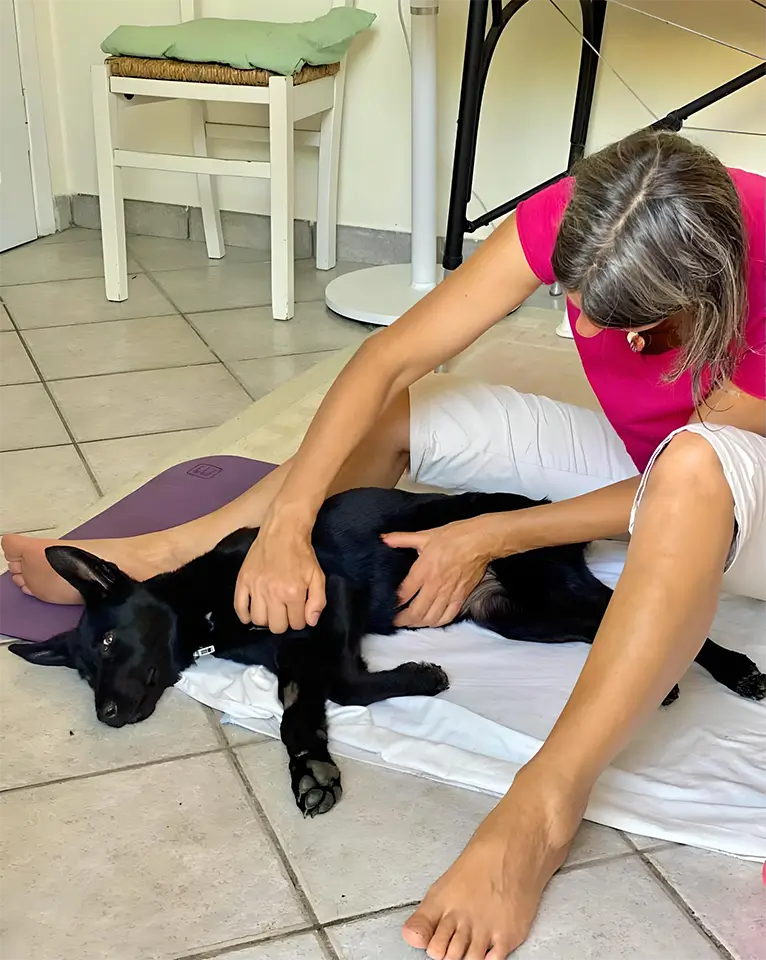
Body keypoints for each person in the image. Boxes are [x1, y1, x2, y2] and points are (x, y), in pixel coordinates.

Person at [4, 130, 766, 959]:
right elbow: (387, 359)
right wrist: (286, 527)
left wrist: (489, 533)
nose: (581, 324)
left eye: (627, 325)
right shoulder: (605, 208)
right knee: (411, 402)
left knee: (692, 462)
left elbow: (686, 481)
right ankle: (178, 549)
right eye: (570, 298)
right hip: (651, 460)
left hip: (736, 504)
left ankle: (543, 807)